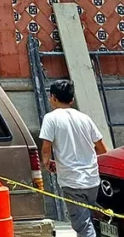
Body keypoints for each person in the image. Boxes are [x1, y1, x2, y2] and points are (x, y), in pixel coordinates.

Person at [40, 80, 107, 237]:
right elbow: (102, 148)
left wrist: (47, 163)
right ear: (72, 99)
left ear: (53, 98)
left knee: (82, 225)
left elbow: (46, 147)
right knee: (90, 221)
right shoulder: (85, 118)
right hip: (92, 180)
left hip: (72, 181)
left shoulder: (51, 118)